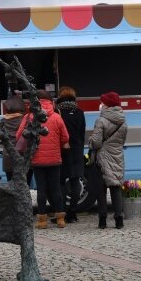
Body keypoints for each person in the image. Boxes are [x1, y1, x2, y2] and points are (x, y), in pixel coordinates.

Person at [16, 90, 70, 229]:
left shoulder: (30, 116)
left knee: (41, 189)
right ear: (50, 101)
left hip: (37, 159)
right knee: (56, 188)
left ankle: (42, 221)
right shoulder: (57, 117)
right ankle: (60, 220)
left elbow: (19, 136)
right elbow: (65, 137)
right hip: (54, 159)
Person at [89, 91, 128, 229]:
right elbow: (122, 141)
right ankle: (119, 220)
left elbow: (97, 142)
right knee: (116, 186)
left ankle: (102, 220)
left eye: (103, 102)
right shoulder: (123, 121)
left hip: (102, 157)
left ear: (107, 105)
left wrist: (90, 142)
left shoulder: (100, 120)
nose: (101, 105)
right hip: (117, 156)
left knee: (101, 189)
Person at [56, 86, 86, 222]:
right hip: (77, 150)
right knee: (75, 181)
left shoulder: (58, 112)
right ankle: (73, 213)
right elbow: (82, 133)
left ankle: (61, 213)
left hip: (62, 150)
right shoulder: (80, 112)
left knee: (61, 181)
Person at [0, 94, 26, 181]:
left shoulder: (2, 122)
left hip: (8, 158)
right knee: (25, 186)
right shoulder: (26, 120)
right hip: (24, 157)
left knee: (11, 185)